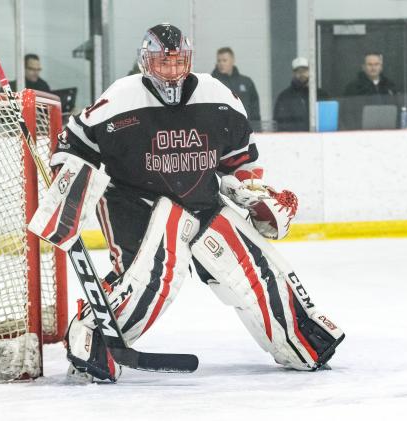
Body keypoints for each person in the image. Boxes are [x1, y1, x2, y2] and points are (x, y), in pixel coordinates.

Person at [35, 23, 345, 383]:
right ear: (144, 62)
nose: (170, 72)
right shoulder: (121, 97)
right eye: (161, 63)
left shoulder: (218, 96)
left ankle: (297, 338)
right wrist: (68, 176)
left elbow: (239, 160)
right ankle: (93, 335)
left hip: (202, 202)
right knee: (151, 279)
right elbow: (75, 142)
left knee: (256, 272)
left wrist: (250, 193)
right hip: (136, 203)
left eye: (177, 62)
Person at [341, 52, 398, 130]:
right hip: (361, 133)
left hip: (388, 131)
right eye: (370, 64)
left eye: (376, 64)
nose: (373, 68)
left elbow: (398, 110)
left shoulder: (389, 86)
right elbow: (347, 114)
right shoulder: (353, 88)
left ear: (381, 67)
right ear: (363, 67)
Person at [273, 57, 329, 131]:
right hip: (294, 140)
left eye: (305, 70)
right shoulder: (284, 97)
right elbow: (280, 124)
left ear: (310, 72)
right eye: (298, 71)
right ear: (293, 73)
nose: (302, 74)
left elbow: (328, 119)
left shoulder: (321, 95)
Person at [211, 47, 261, 129]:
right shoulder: (212, 83)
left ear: (233, 61)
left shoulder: (246, 82)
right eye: (219, 61)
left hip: (244, 129)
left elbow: (254, 107)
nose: (221, 63)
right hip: (220, 130)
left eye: (224, 60)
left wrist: (256, 127)